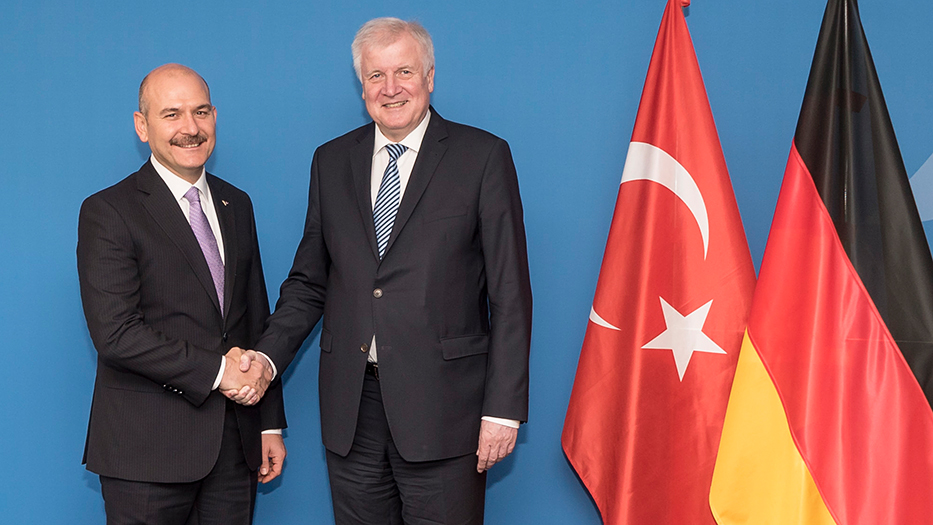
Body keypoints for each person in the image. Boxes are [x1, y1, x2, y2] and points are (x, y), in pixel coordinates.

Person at [238, 17, 533, 524]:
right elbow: (310, 282)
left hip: (445, 412)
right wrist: (266, 360)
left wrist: (502, 410)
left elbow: (510, 294)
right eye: (376, 76)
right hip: (353, 411)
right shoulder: (330, 162)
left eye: (404, 72)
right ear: (362, 85)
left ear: (430, 76)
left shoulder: (482, 157)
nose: (391, 89)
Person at [77, 63, 286, 525]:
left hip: (234, 449)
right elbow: (116, 334)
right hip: (145, 454)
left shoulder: (237, 203)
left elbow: (253, 319)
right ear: (142, 126)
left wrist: (268, 422)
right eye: (172, 114)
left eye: (201, 111)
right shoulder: (108, 211)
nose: (190, 128)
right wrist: (219, 372)